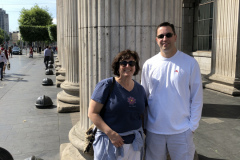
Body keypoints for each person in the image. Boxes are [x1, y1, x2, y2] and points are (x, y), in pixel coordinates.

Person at [141, 22, 203, 160]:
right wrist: (145, 125)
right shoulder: (149, 64)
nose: (165, 39)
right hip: (154, 131)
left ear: (175, 37)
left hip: (181, 131)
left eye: (168, 35)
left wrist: (192, 126)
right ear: (156, 40)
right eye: (161, 36)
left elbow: (196, 97)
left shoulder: (190, 63)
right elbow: (144, 97)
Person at [88, 49, 147, 160]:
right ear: (117, 66)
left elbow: (141, 114)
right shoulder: (106, 85)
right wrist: (111, 133)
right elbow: (92, 113)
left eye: (131, 63)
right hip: (110, 143)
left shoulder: (140, 89)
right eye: (123, 63)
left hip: (134, 145)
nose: (127, 66)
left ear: (135, 67)